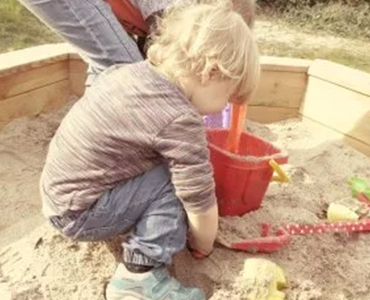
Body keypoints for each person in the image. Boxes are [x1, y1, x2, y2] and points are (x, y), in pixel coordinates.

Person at [40, 2, 260, 300]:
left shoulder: (133, 73)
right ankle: (138, 276)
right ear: (211, 72)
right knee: (174, 180)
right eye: (228, 95)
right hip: (80, 212)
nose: (225, 106)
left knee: (167, 169)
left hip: (58, 194)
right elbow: (199, 201)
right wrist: (204, 243)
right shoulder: (179, 117)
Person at [19, 0, 256, 87]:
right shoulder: (177, 9)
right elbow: (170, 62)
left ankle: (89, 133)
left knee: (111, 60)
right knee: (125, 69)